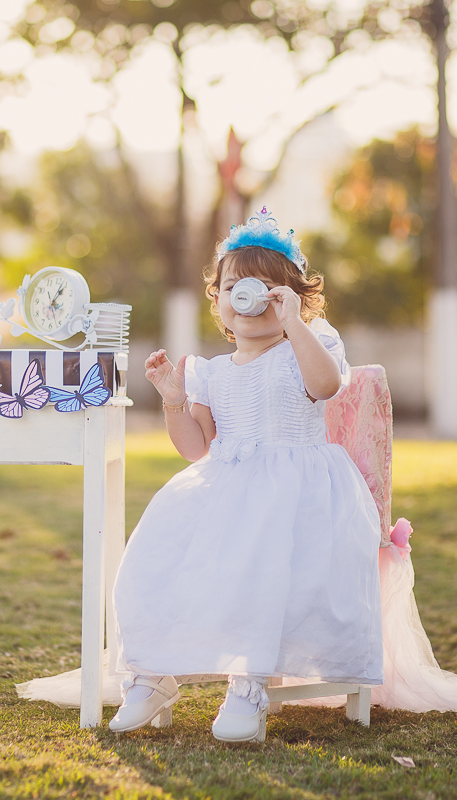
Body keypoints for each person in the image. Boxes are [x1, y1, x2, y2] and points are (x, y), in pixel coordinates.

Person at [109, 208, 384, 743]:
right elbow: (198, 448)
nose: (251, 298)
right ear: (219, 301)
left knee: (256, 560)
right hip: (227, 488)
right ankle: (152, 673)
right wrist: (172, 399)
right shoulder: (210, 372)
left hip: (298, 494)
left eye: (269, 289)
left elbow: (326, 387)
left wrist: (294, 324)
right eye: (236, 287)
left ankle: (248, 684)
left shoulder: (307, 349)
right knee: (155, 554)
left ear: (293, 299)